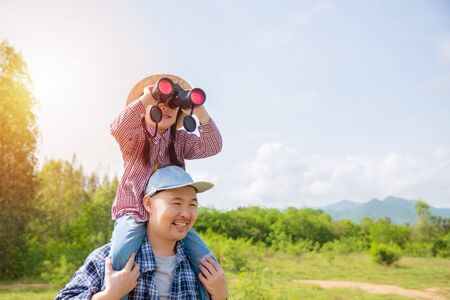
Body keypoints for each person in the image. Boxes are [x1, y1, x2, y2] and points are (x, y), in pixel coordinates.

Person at [109, 74, 223, 299]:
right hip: (134, 212)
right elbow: (117, 127)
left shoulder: (179, 141)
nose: (167, 108)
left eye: (173, 105)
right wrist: (148, 96)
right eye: (160, 103)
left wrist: (198, 109)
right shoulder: (135, 137)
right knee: (120, 253)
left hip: (169, 217)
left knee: (207, 262)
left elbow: (213, 146)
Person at [55, 166, 228, 300]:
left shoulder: (201, 268)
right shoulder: (109, 260)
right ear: (148, 204)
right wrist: (108, 296)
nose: (186, 213)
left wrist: (220, 296)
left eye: (192, 204)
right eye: (176, 203)